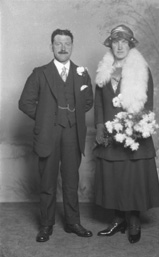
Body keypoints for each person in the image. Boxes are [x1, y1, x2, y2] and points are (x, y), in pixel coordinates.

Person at [19, 29, 93, 242]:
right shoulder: (40, 73)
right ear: (51, 46)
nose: (62, 47)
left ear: (72, 46)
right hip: (48, 134)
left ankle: (73, 222)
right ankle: (46, 225)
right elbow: (24, 103)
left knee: (71, 180)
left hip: (73, 134)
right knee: (48, 182)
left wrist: (71, 116)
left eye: (67, 43)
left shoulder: (82, 73)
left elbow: (88, 101)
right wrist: (46, 117)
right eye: (58, 43)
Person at [94, 24, 159, 243]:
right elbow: (99, 104)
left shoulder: (142, 70)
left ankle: (133, 220)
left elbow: (148, 103)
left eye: (124, 41)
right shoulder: (104, 70)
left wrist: (135, 126)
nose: (120, 45)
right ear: (111, 45)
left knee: (132, 178)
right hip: (110, 134)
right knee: (114, 177)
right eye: (116, 41)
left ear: (131, 44)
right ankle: (118, 219)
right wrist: (99, 127)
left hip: (134, 134)